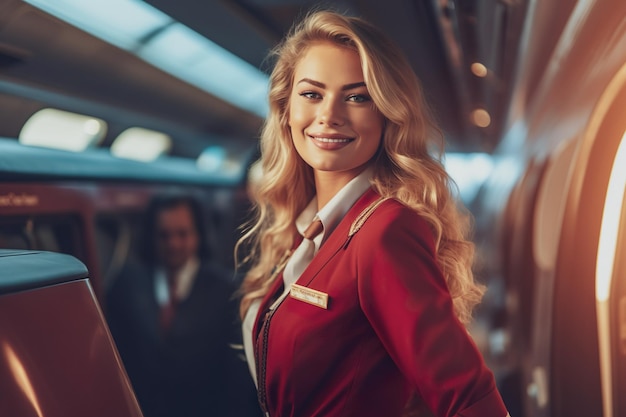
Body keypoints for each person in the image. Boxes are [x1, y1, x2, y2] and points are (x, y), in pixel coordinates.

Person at [235, 10, 511, 417]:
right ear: (286, 109)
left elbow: (469, 401)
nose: (329, 114)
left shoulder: (385, 230)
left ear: (386, 114)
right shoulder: (307, 227)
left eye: (357, 96)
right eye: (312, 94)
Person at [106, 193, 260, 417]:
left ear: (199, 234)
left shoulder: (227, 291)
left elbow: (236, 376)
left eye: (182, 234)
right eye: (164, 235)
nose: (173, 244)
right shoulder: (127, 285)